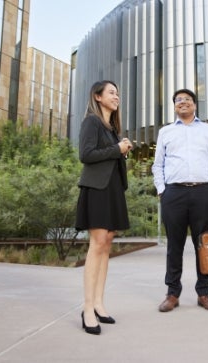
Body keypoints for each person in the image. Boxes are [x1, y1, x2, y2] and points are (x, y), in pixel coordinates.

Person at [152, 88, 208, 313]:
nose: (183, 102)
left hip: (204, 192)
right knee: (174, 246)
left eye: (187, 100)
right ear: (174, 106)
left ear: (195, 105)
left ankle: (204, 293)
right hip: (174, 194)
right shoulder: (165, 132)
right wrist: (162, 191)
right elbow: (158, 164)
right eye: (178, 100)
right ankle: (172, 293)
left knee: (203, 246)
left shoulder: (207, 130)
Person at [75, 80, 132, 335]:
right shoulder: (92, 121)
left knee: (107, 244)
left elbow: (108, 154)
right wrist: (116, 149)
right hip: (97, 189)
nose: (116, 96)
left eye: (118, 93)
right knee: (97, 244)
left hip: (112, 189)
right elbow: (85, 155)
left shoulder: (111, 128)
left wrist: (121, 150)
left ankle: (99, 303)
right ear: (98, 97)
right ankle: (87, 308)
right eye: (111, 92)